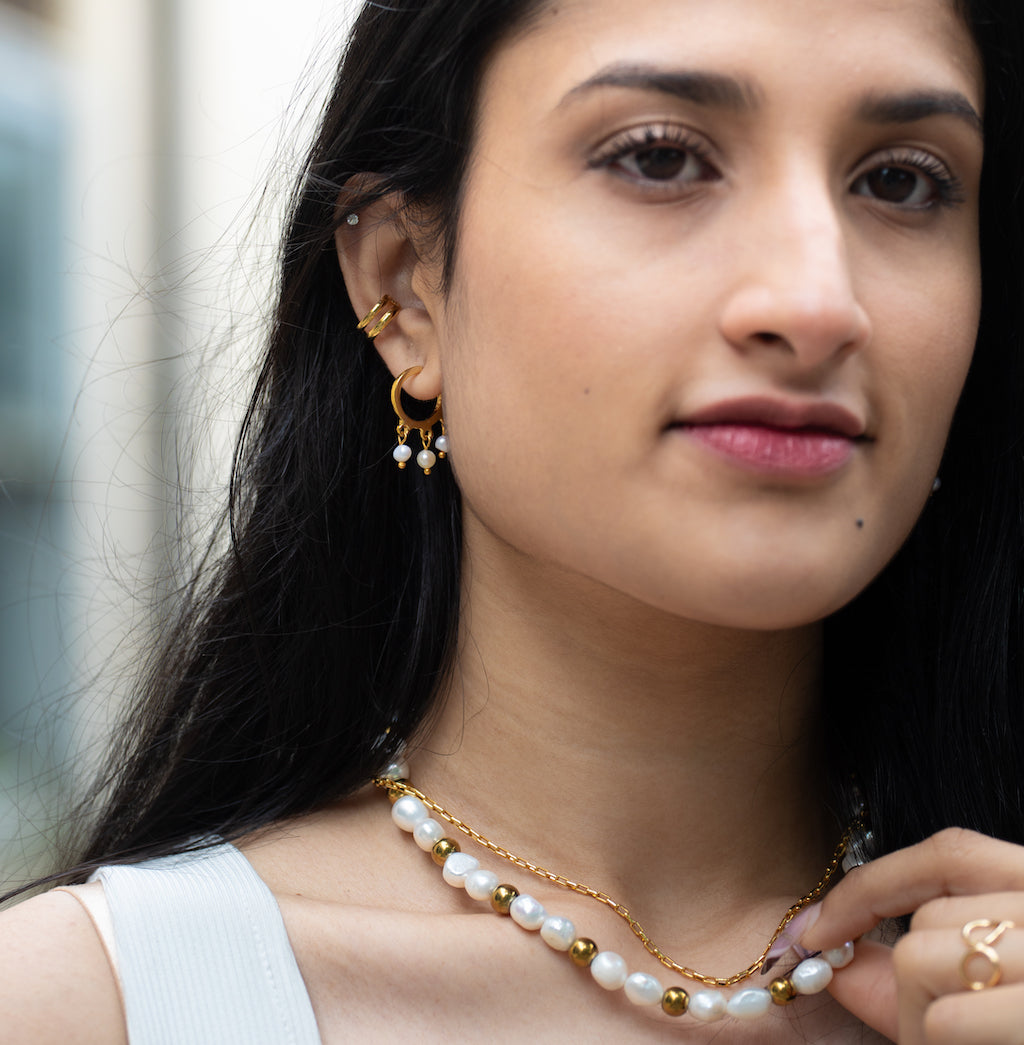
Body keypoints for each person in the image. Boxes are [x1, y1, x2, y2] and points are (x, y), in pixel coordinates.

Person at [3, 0, 1024, 1041]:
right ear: (403, 287)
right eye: (662, 159)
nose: (817, 301)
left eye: (901, 181)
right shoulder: (88, 1003)